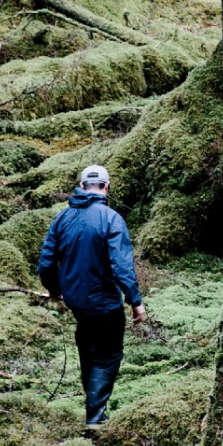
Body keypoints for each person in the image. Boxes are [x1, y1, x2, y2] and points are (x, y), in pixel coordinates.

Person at [37, 164, 147, 428]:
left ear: (82, 185)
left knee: (87, 349)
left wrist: (54, 290)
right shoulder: (111, 218)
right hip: (106, 304)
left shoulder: (62, 218)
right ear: (106, 187)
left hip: (77, 303)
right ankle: (95, 416)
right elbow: (121, 266)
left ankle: (94, 407)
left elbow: (45, 263)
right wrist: (136, 301)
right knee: (107, 355)